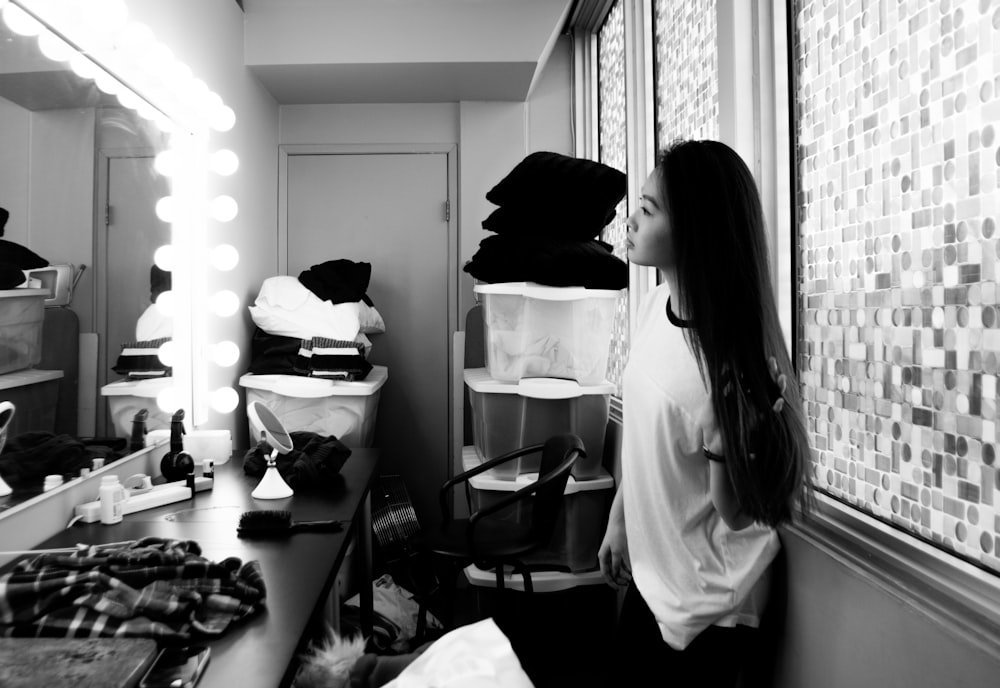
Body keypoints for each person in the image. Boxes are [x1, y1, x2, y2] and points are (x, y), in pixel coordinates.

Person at [598, 139, 811, 686]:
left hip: (709, 605)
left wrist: (722, 435)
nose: (630, 221)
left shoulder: (731, 365)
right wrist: (621, 521)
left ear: (694, 230)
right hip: (656, 578)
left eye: (646, 210)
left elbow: (740, 514)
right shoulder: (654, 305)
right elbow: (645, 441)